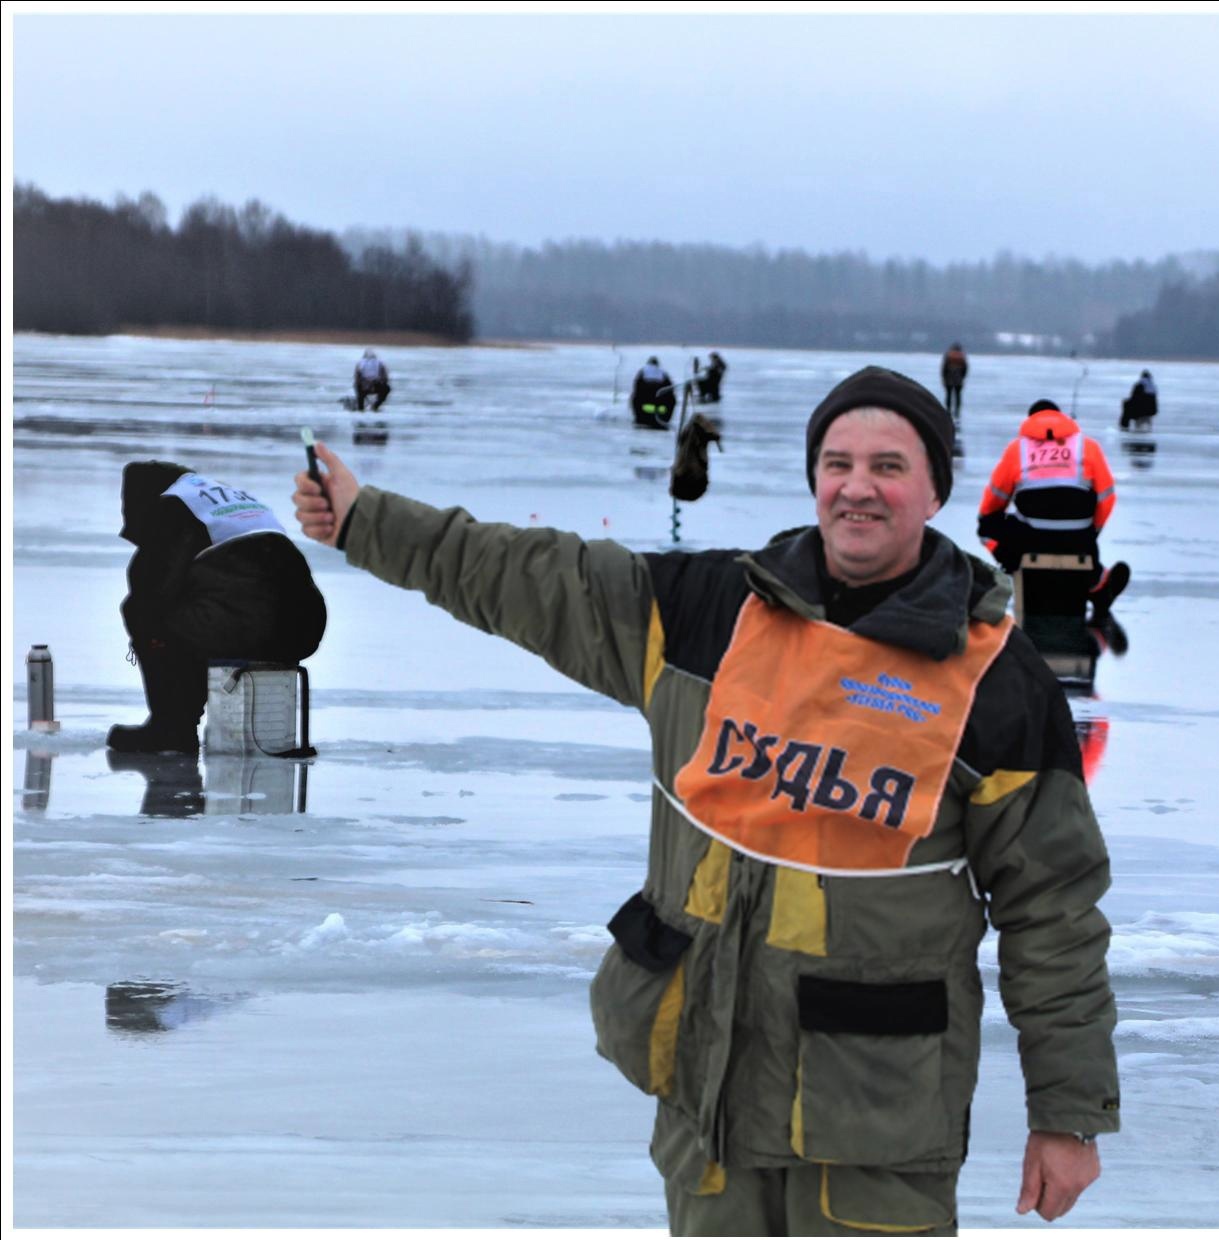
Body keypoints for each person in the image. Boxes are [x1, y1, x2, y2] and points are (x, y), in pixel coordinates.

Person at [291, 366, 1120, 1233]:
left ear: (935, 492)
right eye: (837, 463)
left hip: (872, 1121)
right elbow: (530, 577)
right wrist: (365, 521)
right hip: (708, 1098)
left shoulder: (995, 680)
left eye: (888, 466)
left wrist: (1067, 1114)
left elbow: (1052, 913)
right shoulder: (710, 613)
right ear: (813, 479)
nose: (857, 488)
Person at [109, 460, 327, 755]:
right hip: (304, 628)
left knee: (146, 615)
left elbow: (151, 594)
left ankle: (171, 729)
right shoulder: (221, 498)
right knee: (193, 614)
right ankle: (181, 723)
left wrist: (154, 639)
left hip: (251, 628)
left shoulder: (171, 511)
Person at [978, 398, 1130, 617]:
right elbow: (1107, 498)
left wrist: (1002, 545)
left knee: (987, 525)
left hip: (1031, 540)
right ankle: (1097, 582)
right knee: (1079, 530)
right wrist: (1091, 532)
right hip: (1079, 541)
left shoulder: (1017, 450)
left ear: (1030, 421)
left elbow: (992, 504)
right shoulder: (1088, 447)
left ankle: (1013, 564)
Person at [632, 356, 676, 428]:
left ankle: (639, 417)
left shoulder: (643, 371)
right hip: (660, 401)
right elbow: (670, 388)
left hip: (645, 399)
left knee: (635, 398)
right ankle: (666, 417)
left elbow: (636, 386)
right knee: (672, 400)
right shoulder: (663, 373)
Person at [940, 342, 968, 420]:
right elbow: (965, 369)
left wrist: (944, 377)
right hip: (958, 379)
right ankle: (957, 411)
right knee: (958, 396)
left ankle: (948, 410)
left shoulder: (948, 356)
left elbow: (944, 368)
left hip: (949, 378)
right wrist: (962, 377)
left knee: (948, 395)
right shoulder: (962, 357)